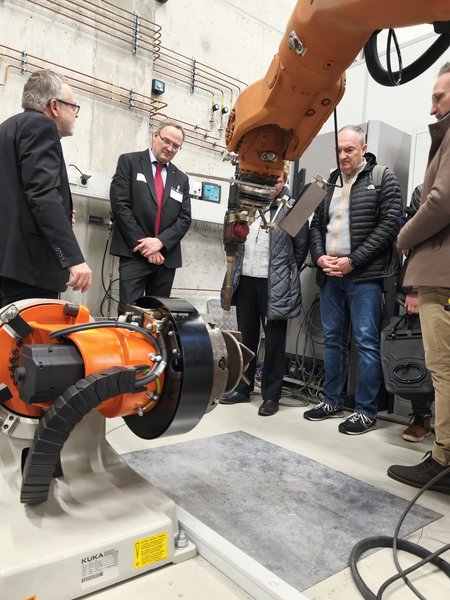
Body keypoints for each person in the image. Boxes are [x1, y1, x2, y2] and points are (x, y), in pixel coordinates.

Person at [304, 125, 403, 434]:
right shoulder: (327, 182)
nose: (343, 155)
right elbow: (315, 226)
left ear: (363, 148)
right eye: (339, 150)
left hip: (365, 278)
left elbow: (389, 225)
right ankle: (331, 400)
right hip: (330, 276)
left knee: (366, 343)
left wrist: (353, 261)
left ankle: (365, 411)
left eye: (349, 149)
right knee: (332, 340)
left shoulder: (382, 177)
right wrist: (319, 257)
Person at [388, 63, 450, 494]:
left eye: (438, 97)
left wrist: (404, 236)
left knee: (443, 371)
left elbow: (441, 201)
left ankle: (444, 461)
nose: (432, 108)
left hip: (441, 276)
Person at [219, 163, 309, 416]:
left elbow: (300, 249)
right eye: (268, 179)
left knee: (274, 341)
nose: (271, 185)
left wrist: (284, 273)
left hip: (274, 283)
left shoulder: (293, 208)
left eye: (277, 180)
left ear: (285, 180)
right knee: (246, 336)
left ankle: (271, 395)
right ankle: (243, 388)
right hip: (246, 278)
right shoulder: (247, 204)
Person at [0, 69, 92, 307]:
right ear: (54, 106)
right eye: (74, 107)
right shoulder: (41, 126)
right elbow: (42, 195)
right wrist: (73, 259)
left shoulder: (7, 128)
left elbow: (16, 195)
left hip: (7, 265)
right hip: (28, 268)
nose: (76, 115)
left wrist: (62, 214)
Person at [110, 120, 191, 314]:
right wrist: (147, 247)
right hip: (134, 254)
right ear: (155, 136)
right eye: (166, 141)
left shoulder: (181, 178)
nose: (170, 148)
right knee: (130, 313)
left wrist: (160, 242)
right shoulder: (129, 162)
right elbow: (120, 205)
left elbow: (185, 218)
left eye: (176, 146)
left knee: (158, 317)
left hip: (165, 258)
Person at [396, 184, 434, 443]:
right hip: (431, 289)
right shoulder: (425, 191)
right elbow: (419, 242)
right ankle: (422, 417)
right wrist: (415, 289)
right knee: (419, 354)